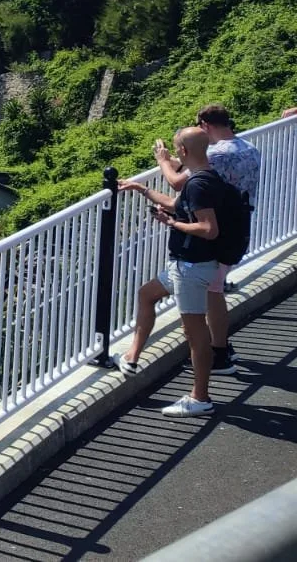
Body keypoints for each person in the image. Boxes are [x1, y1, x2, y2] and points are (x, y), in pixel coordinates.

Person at [119, 127, 228, 417]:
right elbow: (175, 204)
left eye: (176, 149)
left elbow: (208, 228)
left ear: (182, 152)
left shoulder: (198, 185)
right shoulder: (207, 176)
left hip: (192, 267)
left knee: (195, 334)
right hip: (186, 264)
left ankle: (200, 397)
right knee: (147, 294)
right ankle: (131, 356)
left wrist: (173, 225)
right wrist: (141, 189)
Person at [155, 103, 260, 372]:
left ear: (205, 125)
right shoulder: (249, 148)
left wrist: (164, 162)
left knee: (212, 292)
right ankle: (221, 345)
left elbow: (179, 183)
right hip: (240, 225)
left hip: (216, 230)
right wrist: (183, 158)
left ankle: (219, 353)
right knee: (215, 288)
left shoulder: (217, 155)